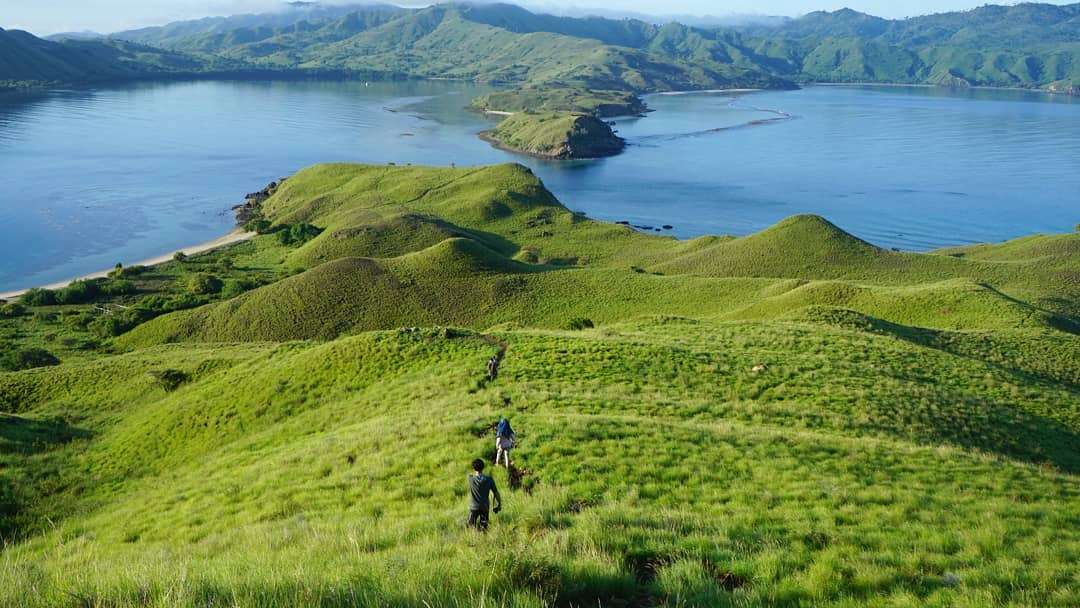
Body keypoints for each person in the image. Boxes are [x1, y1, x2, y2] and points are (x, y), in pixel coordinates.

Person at [468, 458, 501, 531]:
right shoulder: (489, 479)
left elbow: (472, 475)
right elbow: (496, 493)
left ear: (474, 468)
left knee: (471, 527)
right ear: (483, 467)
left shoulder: (470, 479)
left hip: (473, 507)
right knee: (484, 528)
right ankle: (483, 538)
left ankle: (473, 540)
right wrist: (499, 504)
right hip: (485, 507)